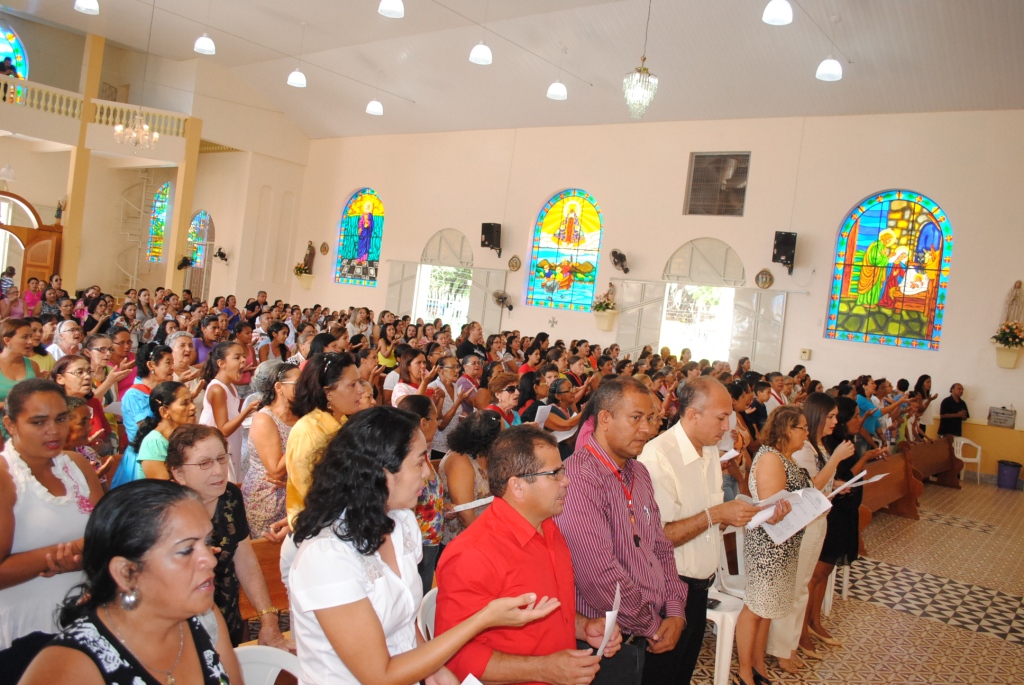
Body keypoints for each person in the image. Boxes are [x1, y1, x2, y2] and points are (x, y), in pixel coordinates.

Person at [287, 406, 557, 685]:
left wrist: (438, 672)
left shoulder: (401, 523)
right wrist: (483, 619)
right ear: (382, 473)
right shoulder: (326, 558)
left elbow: (404, 626)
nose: (429, 475)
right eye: (419, 463)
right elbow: (379, 676)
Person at [438, 425, 626, 685]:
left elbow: (546, 612)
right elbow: (454, 657)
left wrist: (582, 627)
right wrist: (543, 669)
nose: (566, 480)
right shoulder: (472, 554)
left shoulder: (548, 528)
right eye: (554, 473)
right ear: (517, 486)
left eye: (563, 470)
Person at [18, 479, 242, 685]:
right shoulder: (70, 668)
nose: (210, 560)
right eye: (185, 550)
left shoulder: (205, 618)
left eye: (207, 541)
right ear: (126, 572)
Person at [555, 377, 690, 685]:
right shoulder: (580, 477)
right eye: (636, 418)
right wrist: (652, 625)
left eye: (652, 418)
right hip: (600, 641)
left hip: (641, 633)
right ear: (605, 418)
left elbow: (660, 547)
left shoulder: (638, 473)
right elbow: (597, 573)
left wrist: (674, 611)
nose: (647, 429)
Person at [637, 378, 765, 683]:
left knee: (682, 672)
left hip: (699, 587)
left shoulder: (709, 450)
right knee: (660, 676)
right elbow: (660, 536)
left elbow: (710, 523)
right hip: (668, 587)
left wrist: (754, 515)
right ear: (693, 414)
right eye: (721, 418)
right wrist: (717, 514)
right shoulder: (657, 457)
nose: (726, 426)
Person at [0, 379, 103, 652]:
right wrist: (70, 552)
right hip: (24, 633)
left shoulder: (78, 465)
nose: (53, 431)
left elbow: (106, 538)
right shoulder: (5, 476)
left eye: (61, 419)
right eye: (38, 422)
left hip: (85, 620)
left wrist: (82, 559)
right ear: (10, 425)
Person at [165, 424, 290, 648]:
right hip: (179, 630)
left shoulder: (230, 496)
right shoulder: (165, 511)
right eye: (205, 463)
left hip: (227, 616)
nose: (218, 470)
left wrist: (268, 619)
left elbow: (245, 560)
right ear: (178, 472)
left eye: (222, 459)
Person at [767, 393, 855, 672]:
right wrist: (835, 462)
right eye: (830, 416)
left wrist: (836, 482)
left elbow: (819, 483)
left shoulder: (816, 447)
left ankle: (791, 645)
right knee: (793, 588)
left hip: (818, 520)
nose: (835, 421)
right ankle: (782, 649)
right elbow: (806, 489)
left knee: (801, 587)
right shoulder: (804, 449)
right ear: (817, 415)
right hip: (804, 523)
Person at [736, 406, 807, 685]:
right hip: (768, 545)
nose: (806, 434)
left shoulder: (787, 458)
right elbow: (771, 507)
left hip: (785, 543)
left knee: (768, 610)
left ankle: (757, 665)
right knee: (755, 609)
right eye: (802, 428)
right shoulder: (770, 458)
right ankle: (743, 671)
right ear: (788, 429)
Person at [285, 352, 363, 525]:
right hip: (319, 527)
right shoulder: (308, 432)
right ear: (328, 392)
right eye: (352, 385)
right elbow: (312, 493)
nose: (361, 390)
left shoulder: (342, 421)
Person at [243, 361, 300, 539]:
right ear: (279, 387)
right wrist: (302, 433)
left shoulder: (302, 415)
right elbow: (275, 470)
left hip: (294, 492)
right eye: (299, 384)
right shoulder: (264, 419)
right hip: (268, 496)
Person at [395, 394, 446, 592]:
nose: (438, 422)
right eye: (435, 418)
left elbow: (428, 494)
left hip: (431, 539)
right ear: (423, 423)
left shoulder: (423, 454)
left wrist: (442, 506)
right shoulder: (408, 457)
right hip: (418, 540)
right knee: (416, 594)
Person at [109, 344, 175, 488]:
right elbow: (147, 429)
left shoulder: (159, 391)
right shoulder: (135, 395)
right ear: (151, 365)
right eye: (168, 363)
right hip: (141, 455)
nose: (172, 368)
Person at [438, 409, 502, 544]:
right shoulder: (459, 461)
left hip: (489, 528)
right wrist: (495, 541)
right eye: (500, 436)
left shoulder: (487, 454)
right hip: (465, 538)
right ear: (488, 439)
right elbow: (465, 516)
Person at [199, 341, 258, 482]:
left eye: (244, 357)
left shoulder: (230, 385)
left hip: (231, 445)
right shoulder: (217, 389)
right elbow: (223, 429)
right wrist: (247, 410)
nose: (243, 360)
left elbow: (231, 411)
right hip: (219, 449)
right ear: (221, 363)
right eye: (237, 358)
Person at [132, 381, 196, 480]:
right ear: (164, 411)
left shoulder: (189, 435)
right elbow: (163, 490)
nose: (193, 407)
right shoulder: (154, 443)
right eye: (185, 403)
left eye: (192, 401)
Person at [428, 355, 470, 460]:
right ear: (440, 370)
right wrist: (458, 402)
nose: (457, 371)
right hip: (438, 446)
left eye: (458, 367)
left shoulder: (455, 387)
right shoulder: (433, 389)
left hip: (454, 443)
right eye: (452, 367)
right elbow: (440, 425)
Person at [0, 320, 40, 414]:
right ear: (7, 340)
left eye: (31, 336)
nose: (30, 342)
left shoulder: (33, 365)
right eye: (24, 337)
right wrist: (12, 405)